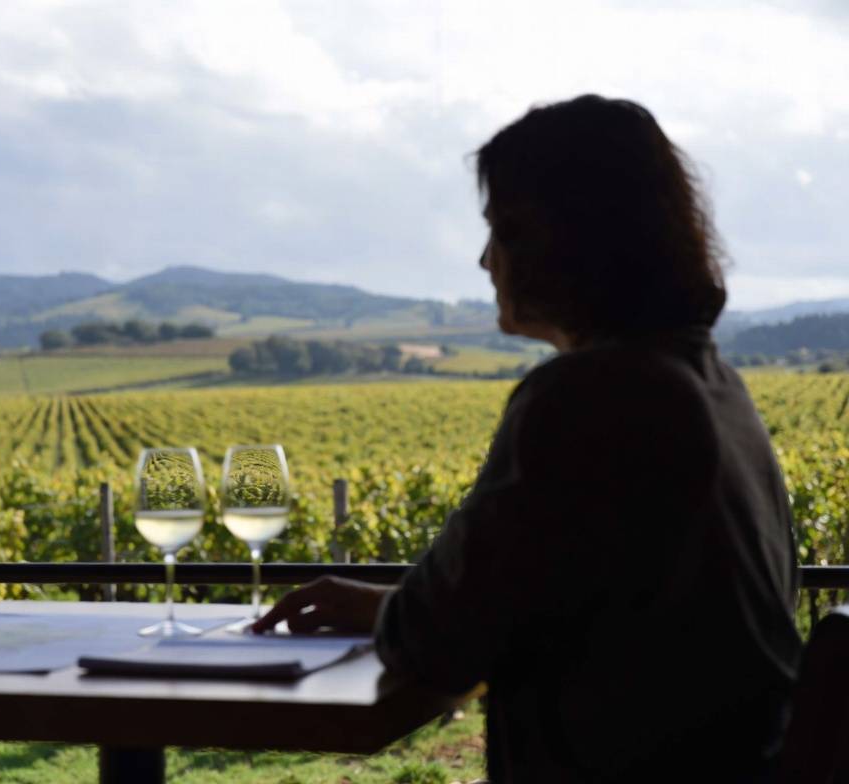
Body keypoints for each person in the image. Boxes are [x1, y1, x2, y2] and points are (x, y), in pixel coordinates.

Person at [253, 95, 801, 782]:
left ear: (566, 239)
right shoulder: (715, 389)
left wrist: (403, 618)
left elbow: (439, 649)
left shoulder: (589, 398)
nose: (486, 261)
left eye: (502, 230)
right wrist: (388, 607)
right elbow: (526, 606)